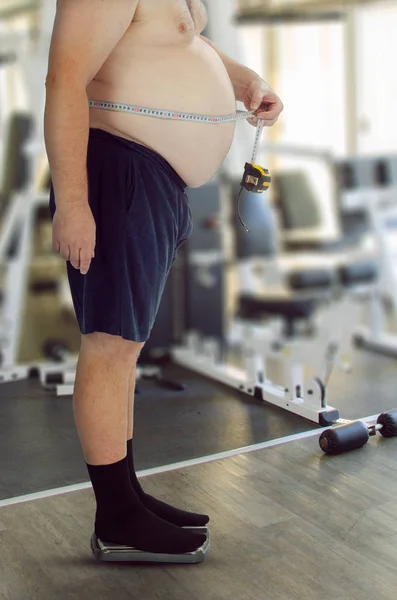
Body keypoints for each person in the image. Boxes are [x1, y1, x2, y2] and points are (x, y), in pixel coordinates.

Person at [44, 0, 283, 559]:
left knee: (126, 350)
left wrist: (245, 82)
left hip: (153, 179)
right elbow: (65, 79)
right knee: (109, 346)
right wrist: (74, 204)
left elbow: (182, 43)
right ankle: (117, 516)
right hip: (117, 170)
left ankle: (126, 497)